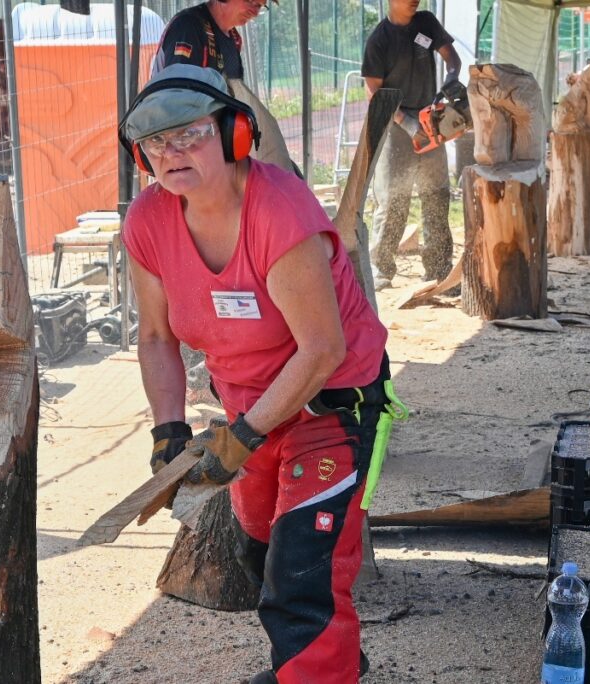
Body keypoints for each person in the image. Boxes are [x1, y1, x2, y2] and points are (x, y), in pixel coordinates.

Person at [120, 63, 397, 684]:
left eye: (188, 134)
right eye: (156, 142)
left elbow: (321, 349)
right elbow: (158, 336)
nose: (171, 153)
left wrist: (242, 438)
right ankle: (332, 662)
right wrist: (168, 431)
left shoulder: (279, 210)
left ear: (233, 134)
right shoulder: (148, 221)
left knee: (304, 569)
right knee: (262, 550)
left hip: (330, 398)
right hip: (251, 403)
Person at [361, 0, 462, 290]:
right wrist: (407, 122)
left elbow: (451, 58)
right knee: (393, 199)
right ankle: (381, 267)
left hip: (431, 120)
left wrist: (452, 77)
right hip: (395, 126)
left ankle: (439, 267)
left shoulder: (426, 22)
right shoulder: (379, 40)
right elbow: (374, 92)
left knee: (436, 196)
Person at [153, 0, 295, 173]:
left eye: (260, 6)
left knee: (281, 176)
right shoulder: (188, 26)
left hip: (218, 148)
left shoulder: (234, 39)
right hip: (185, 155)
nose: (255, 12)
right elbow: (176, 99)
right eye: (251, 2)